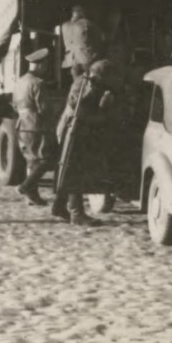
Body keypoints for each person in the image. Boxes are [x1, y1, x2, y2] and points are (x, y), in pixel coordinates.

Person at [54, 59, 118, 226]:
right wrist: (103, 110)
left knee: (67, 171)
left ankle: (59, 207)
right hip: (72, 131)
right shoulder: (86, 85)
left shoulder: (86, 82)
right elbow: (80, 112)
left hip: (73, 129)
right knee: (74, 171)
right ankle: (76, 214)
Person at [14, 48, 57, 207]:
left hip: (22, 125)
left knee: (31, 161)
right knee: (46, 159)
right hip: (36, 127)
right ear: (39, 65)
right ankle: (25, 187)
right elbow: (44, 109)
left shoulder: (20, 81)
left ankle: (32, 196)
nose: (45, 69)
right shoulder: (38, 83)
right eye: (45, 65)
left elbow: (15, 105)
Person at [60, 5, 103, 72]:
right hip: (85, 58)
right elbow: (99, 40)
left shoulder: (64, 26)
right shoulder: (89, 24)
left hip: (69, 60)